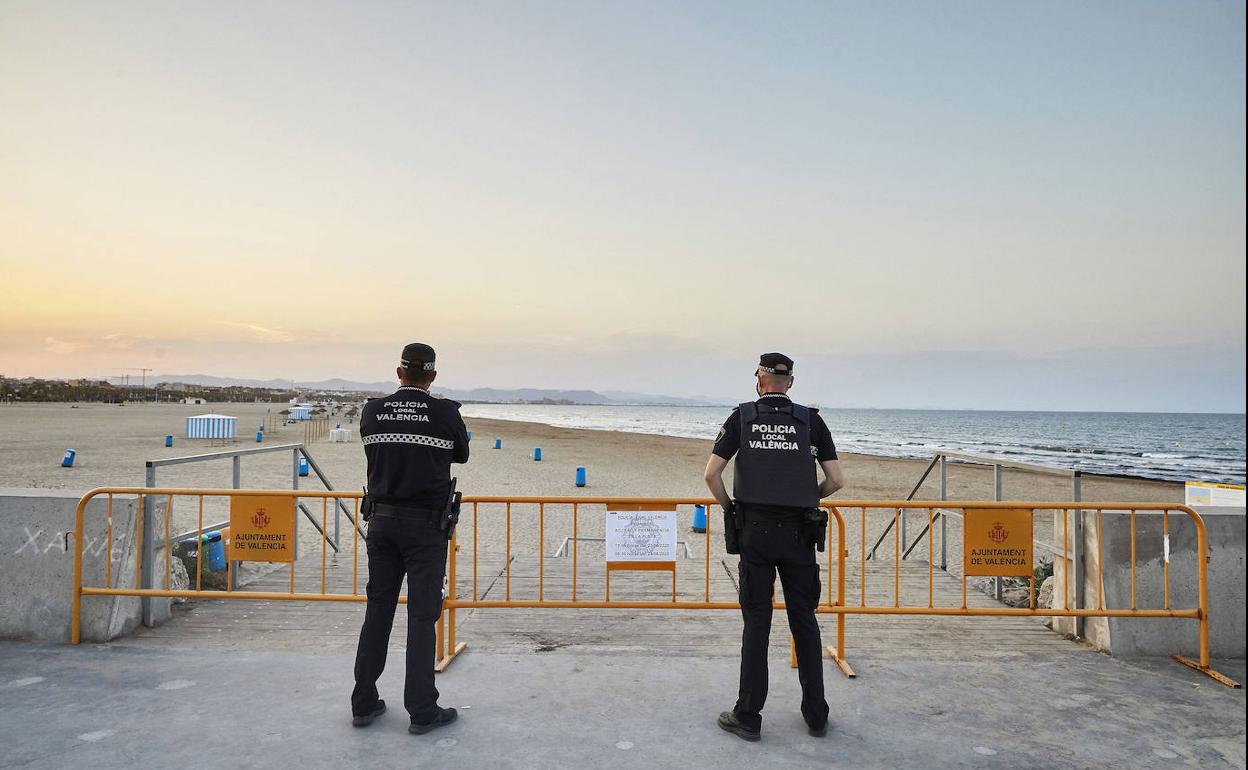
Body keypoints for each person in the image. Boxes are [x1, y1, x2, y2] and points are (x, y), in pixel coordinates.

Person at [703, 352, 845, 742]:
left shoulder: (742, 417)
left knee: (757, 623)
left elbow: (711, 474)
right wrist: (808, 500)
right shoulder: (811, 420)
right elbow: (836, 480)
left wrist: (732, 509)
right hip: (800, 533)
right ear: (791, 383)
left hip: (756, 532)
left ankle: (748, 715)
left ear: (759, 379)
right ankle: (816, 715)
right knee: (805, 621)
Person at [351, 342, 470, 735]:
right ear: (432, 377)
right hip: (425, 530)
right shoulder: (445, 413)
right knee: (422, 618)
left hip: (381, 524)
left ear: (399, 373)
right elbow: (462, 454)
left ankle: (364, 702)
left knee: (377, 613)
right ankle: (422, 710)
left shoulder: (372, 411)